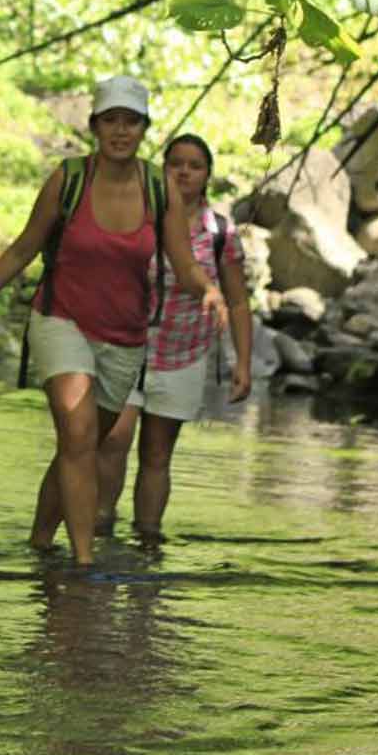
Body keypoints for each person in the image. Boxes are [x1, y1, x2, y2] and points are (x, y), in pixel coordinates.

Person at [0, 76, 226, 567]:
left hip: (124, 336)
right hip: (61, 319)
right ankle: (83, 564)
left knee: (80, 446)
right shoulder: (69, 179)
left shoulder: (157, 187)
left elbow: (183, 264)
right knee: (78, 435)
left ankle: (40, 540)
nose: (120, 131)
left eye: (131, 122)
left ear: (144, 129)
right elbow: (23, 247)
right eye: (110, 121)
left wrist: (208, 290)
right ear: (95, 126)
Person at [97, 132, 253, 545]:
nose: (184, 172)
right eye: (175, 163)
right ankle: (97, 531)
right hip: (124, 347)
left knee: (157, 456)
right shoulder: (136, 215)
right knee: (112, 441)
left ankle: (147, 543)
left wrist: (243, 362)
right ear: (162, 170)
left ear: (207, 176)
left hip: (183, 354)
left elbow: (238, 302)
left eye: (194, 165)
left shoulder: (220, 232)